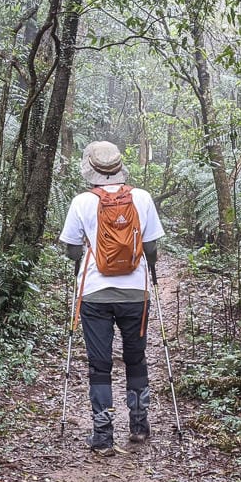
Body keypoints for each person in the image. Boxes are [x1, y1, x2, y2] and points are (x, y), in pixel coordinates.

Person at [59, 141, 164, 455]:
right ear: (119, 166)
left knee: (99, 364)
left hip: (94, 293)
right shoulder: (142, 198)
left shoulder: (81, 202)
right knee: (136, 358)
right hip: (136, 293)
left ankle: (103, 435)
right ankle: (139, 425)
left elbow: (71, 249)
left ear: (91, 168)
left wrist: (81, 262)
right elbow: (151, 248)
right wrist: (149, 268)